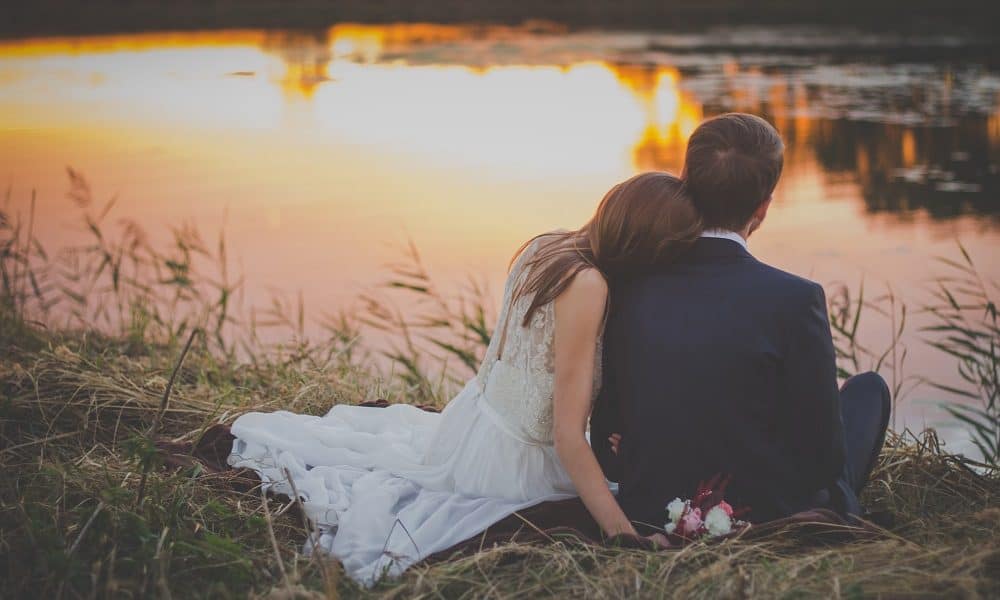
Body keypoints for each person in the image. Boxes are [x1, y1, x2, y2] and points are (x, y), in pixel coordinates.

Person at [227, 172, 702, 584]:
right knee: (616, 503)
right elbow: (565, 435)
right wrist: (623, 536)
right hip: (513, 462)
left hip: (472, 423)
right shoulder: (589, 285)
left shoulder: (551, 245)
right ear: (648, 247)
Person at [592, 113, 892, 529]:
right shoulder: (796, 299)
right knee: (868, 392)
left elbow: (605, 442)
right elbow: (823, 459)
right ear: (763, 206)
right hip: (761, 510)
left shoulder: (628, 285)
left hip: (653, 507)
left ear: (686, 184)